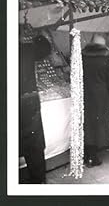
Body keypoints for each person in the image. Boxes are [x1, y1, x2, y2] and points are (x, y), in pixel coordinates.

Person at [19, 22, 52, 184]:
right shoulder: (25, 49)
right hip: (27, 101)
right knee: (34, 145)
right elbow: (46, 49)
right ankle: (38, 180)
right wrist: (40, 35)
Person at [82, 34, 109, 167]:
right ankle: (94, 156)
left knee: (87, 125)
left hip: (86, 94)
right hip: (102, 96)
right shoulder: (107, 58)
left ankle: (88, 155)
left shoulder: (82, 56)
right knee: (98, 126)